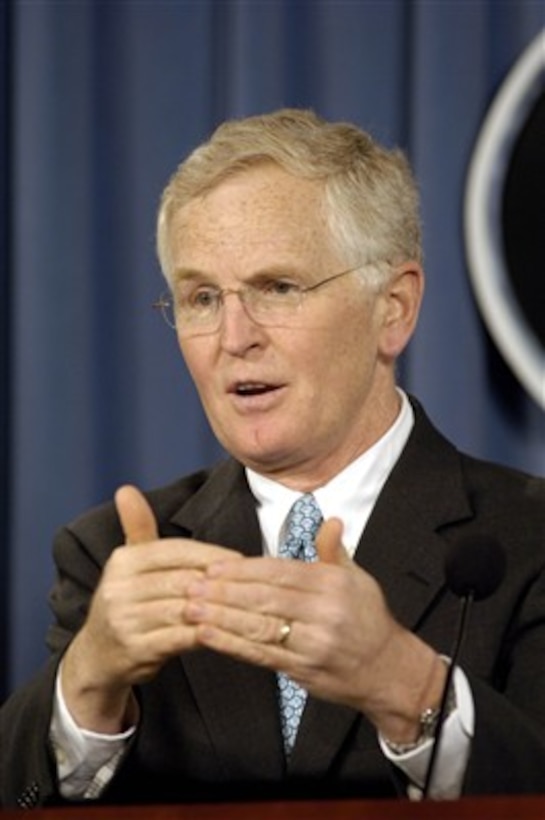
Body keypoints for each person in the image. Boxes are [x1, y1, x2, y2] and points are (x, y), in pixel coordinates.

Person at [1, 108, 545, 809]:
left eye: (277, 288)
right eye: (200, 297)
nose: (234, 337)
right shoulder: (114, 553)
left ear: (394, 308)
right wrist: (88, 684)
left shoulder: (524, 541)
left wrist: (405, 685)